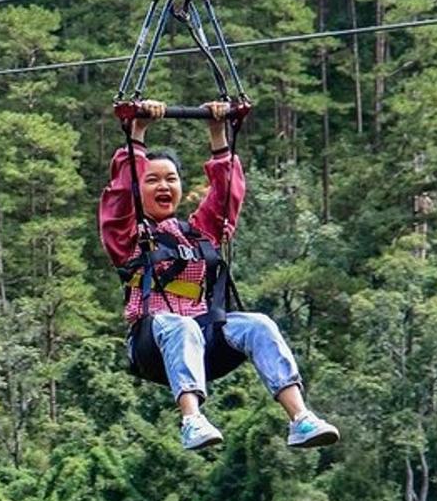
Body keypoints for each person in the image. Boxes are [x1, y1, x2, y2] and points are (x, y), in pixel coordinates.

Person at [99, 99, 340, 451]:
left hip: (203, 340)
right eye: (152, 180)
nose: (163, 186)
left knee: (258, 324)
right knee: (180, 326)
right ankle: (192, 420)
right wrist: (137, 131)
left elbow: (227, 196)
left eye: (171, 179)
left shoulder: (198, 234)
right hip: (154, 342)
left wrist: (218, 132)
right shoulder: (126, 235)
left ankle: (300, 418)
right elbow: (121, 194)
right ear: (139, 187)